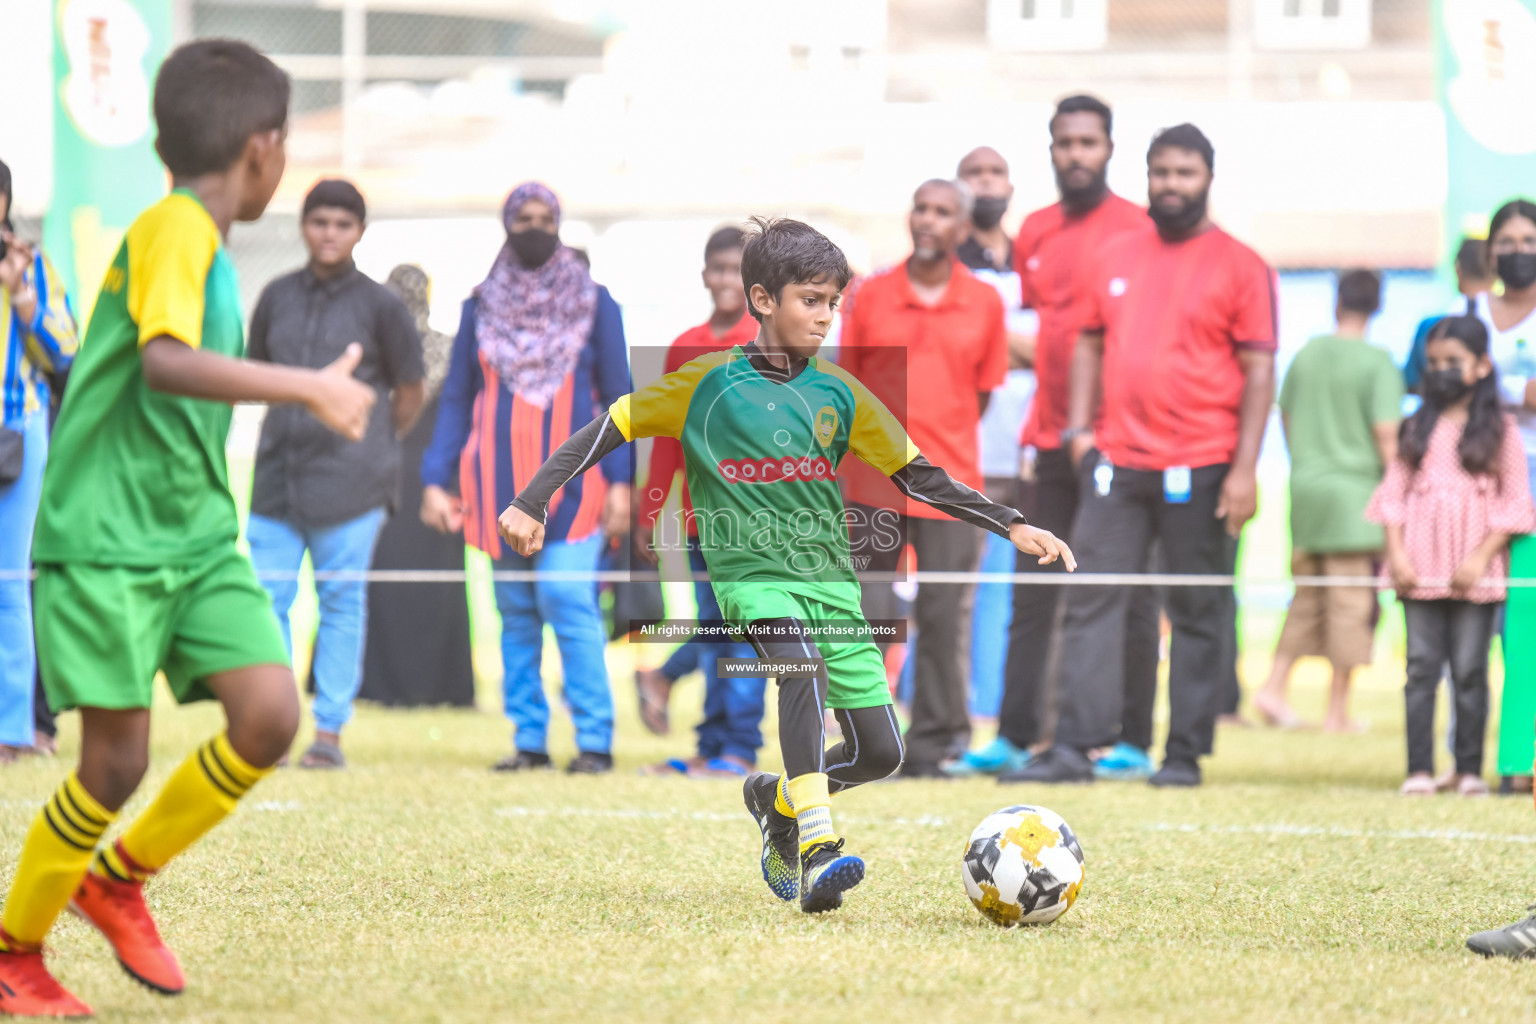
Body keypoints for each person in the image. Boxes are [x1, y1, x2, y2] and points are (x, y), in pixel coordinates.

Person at [496, 216, 1073, 913]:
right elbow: (608, 428)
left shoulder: (841, 394)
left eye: (833, 301)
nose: (826, 316)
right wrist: (533, 498)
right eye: (810, 299)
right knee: (798, 666)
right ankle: (818, 851)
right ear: (763, 300)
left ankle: (777, 802)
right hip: (752, 579)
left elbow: (919, 477)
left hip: (831, 583)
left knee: (880, 753)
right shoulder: (704, 382)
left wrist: (1013, 524)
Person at [0, 40, 378, 1017]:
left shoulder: (200, 235)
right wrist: (306, 387)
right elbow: (165, 361)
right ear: (262, 149)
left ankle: (117, 876)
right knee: (113, 761)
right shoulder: (175, 227)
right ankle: (14, 949)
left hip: (195, 534)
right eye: (286, 143)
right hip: (109, 537)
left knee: (268, 715)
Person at [1016, 123, 1278, 788]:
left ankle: (1183, 754)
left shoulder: (1242, 265)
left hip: (1205, 463)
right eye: (1161, 172)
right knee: (1092, 594)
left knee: (1193, 608)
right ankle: (1076, 746)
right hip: (1118, 460)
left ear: (1207, 179)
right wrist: (1079, 430)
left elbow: (1259, 371)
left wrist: (1245, 468)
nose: (1171, 184)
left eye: (1184, 173)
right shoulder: (1118, 253)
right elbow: (1090, 344)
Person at [952, 96, 1159, 782]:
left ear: (1108, 148)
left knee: (1120, 591)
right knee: (1031, 591)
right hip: (1048, 436)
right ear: (1051, 150)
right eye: (1064, 142)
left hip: (1121, 439)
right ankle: (1013, 735)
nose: (1076, 153)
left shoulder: (1139, 228)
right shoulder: (1034, 232)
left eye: (1088, 142)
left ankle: (1128, 739)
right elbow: (1044, 335)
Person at [420, 182, 630, 775]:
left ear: (559, 225)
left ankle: (594, 739)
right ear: (506, 225)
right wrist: (438, 478)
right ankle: (529, 740)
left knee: (565, 596)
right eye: (523, 219)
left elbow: (620, 398)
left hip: (577, 484)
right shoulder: (480, 304)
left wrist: (620, 480)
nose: (534, 228)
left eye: (545, 219)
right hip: (495, 486)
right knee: (515, 610)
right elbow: (458, 399)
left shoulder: (595, 302)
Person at [245, 179, 426, 769]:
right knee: (265, 600)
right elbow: (256, 374)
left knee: (342, 602)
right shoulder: (275, 295)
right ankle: (266, 728)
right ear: (303, 226)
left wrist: (373, 445)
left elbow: (409, 391)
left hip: (354, 485)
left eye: (342, 224)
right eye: (319, 222)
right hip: (277, 477)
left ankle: (329, 734)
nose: (330, 234)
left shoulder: (381, 306)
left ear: (360, 232)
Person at [838, 179, 1010, 778]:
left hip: (952, 486)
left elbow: (983, 392)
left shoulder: (986, 304)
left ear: (964, 228)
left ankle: (937, 741)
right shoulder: (870, 295)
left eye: (944, 212)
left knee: (944, 614)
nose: (930, 220)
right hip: (869, 481)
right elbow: (848, 385)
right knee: (864, 610)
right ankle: (866, 738)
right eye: (922, 208)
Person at [1366, 315, 1534, 798]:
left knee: (1469, 669)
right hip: (1417, 569)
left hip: (1472, 574)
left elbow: (1515, 502)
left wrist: (1480, 558)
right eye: (1433, 362)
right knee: (1420, 666)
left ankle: (1467, 769)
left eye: (1452, 362)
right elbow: (1392, 496)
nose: (1440, 371)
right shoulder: (1414, 428)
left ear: (1481, 366)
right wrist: (1396, 556)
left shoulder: (1499, 430)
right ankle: (1419, 767)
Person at [633, 226, 767, 777]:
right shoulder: (685, 346)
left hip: (759, 519)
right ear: (704, 274)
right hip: (700, 519)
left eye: (738, 269)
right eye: (718, 268)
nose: (725, 279)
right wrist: (650, 510)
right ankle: (712, 747)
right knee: (718, 632)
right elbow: (667, 436)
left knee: (747, 636)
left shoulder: (772, 342)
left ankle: (738, 747)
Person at [1254, 270, 1402, 732]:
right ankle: (1336, 712)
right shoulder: (1378, 363)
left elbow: (1288, 418)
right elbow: (1386, 437)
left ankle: (1273, 688)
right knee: (1351, 607)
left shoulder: (1307, 354)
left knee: (1306, 598)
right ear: (1377, 305)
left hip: (1307, 491)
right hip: (1356, 498)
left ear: (1337, 300)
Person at [358, 264, 475, 710]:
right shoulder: (433, 348)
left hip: (400, 476)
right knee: (424, 582)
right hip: (434, 477)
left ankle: (383, 685)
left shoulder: (375, 348)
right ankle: (437, 687)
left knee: (395, 577)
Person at [951, 146, 1035, 730]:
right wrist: (1017, 343)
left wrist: (1000, 341)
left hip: (1026, 443)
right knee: (957, 592)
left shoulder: (1033, 258)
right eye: (975, 174)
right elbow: (958, 346)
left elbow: (1061, 342)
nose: (987, 183)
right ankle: (954, 708)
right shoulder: (945, 261)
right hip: (963, 445)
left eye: (995, 173)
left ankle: (1003, 706)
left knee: (1014, 593)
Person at [0, 157, 78, 762]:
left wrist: (21, 293)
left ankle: (13, 730)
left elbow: (65, 353)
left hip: (15, 434)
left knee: (9, 584)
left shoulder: (33, 267)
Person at [1471, 199, 1536, 796]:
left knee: (1527, 627)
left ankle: (1522, 761)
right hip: (1476, 494)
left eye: (1529, 239)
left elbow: (1474, 387)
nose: (1519, 251)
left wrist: (1492, 383)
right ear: (1490, 249)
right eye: (1508, 241)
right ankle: (1486, 758)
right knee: (1484, 635)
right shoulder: (1466, 314)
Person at [1403, 237, 1494, 392]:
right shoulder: (1508, 323)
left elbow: (1412, 382)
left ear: (1458, 270)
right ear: (1495, 272)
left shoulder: (1433, 325)